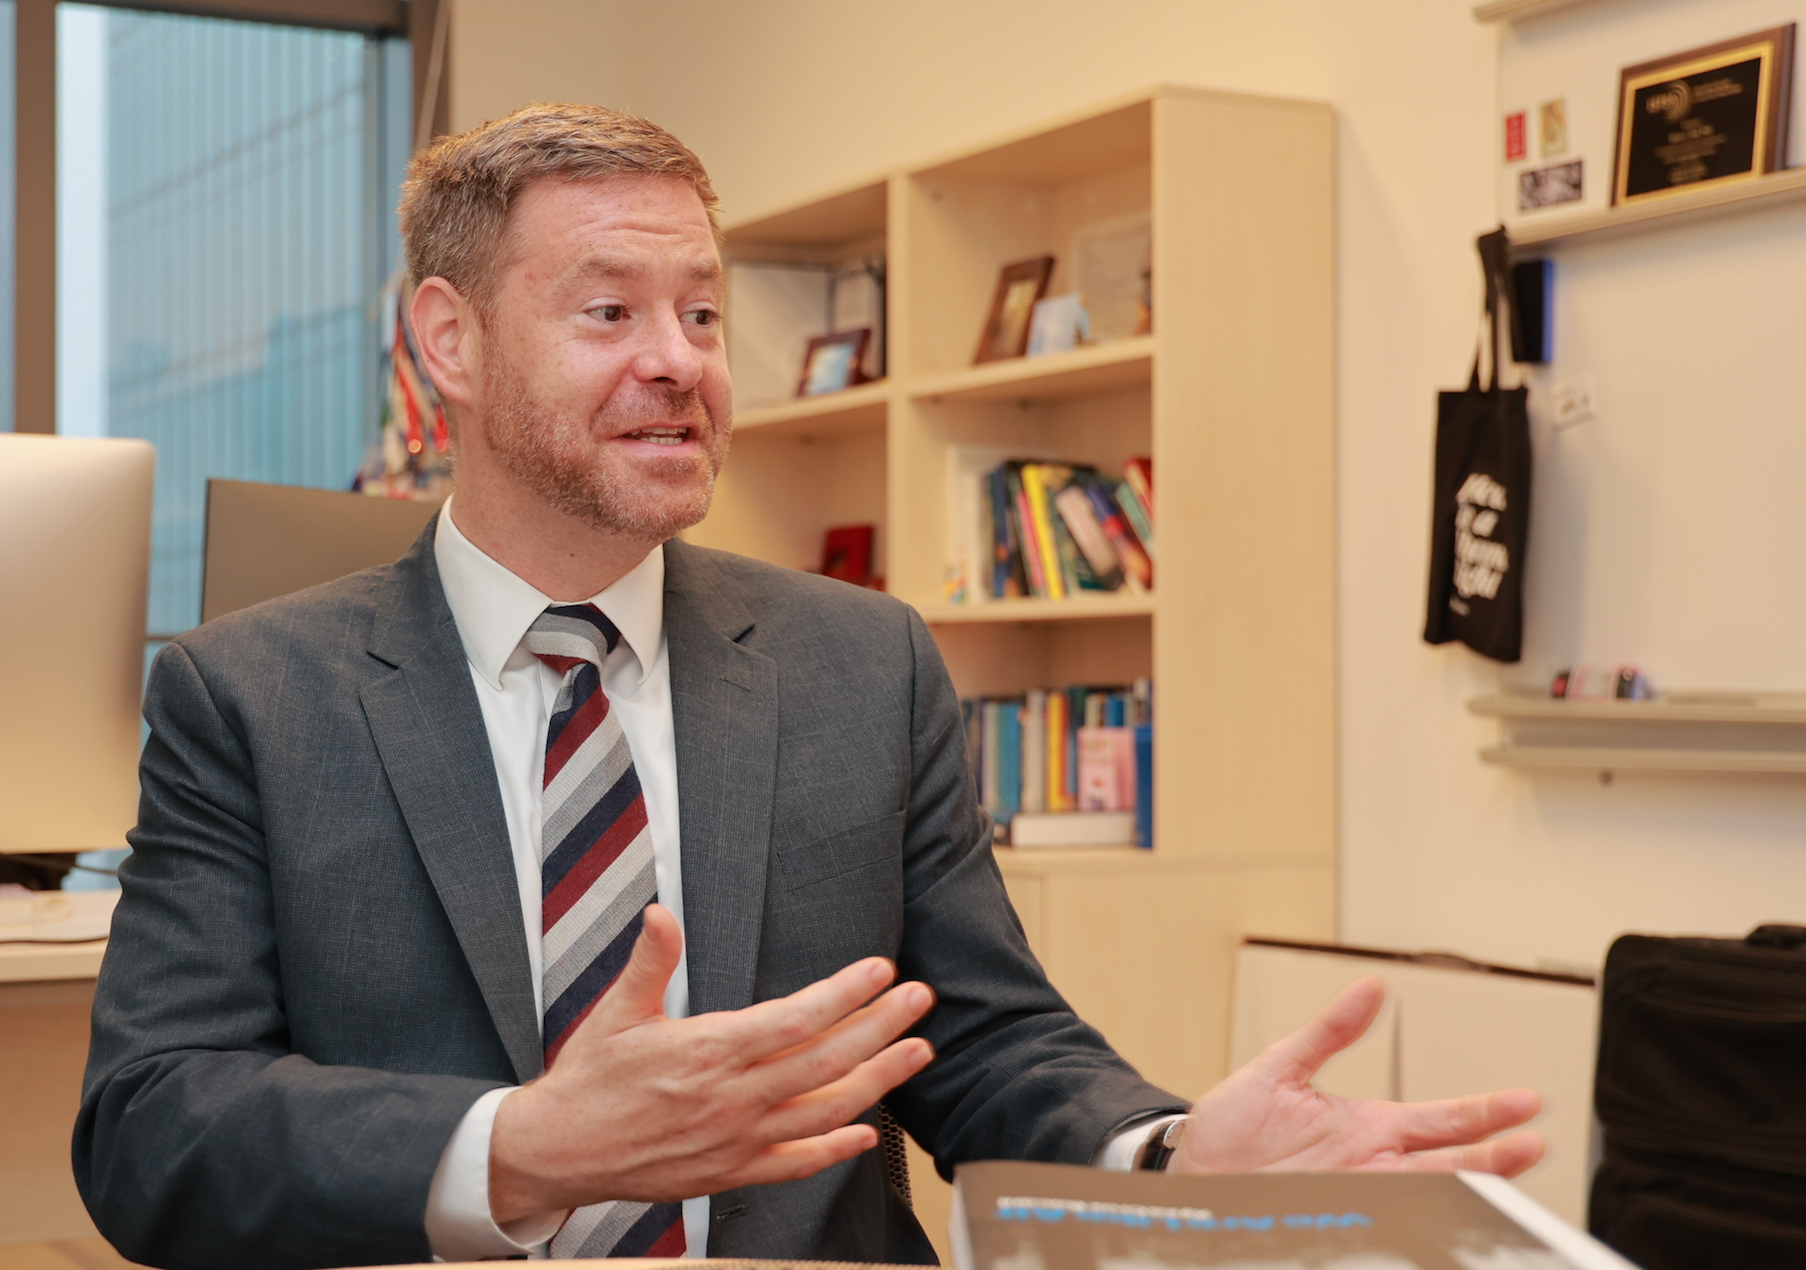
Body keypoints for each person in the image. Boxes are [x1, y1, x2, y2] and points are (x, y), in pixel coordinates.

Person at [74, 103, 1542, 1270]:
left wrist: (1160, 1158)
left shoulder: (864, 659)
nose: (680, 364)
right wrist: (524, 1144)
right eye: (608, 314)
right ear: (450, 341)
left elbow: (975, 1037)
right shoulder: (247, 696)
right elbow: (156, 1131)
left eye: (704, 316)